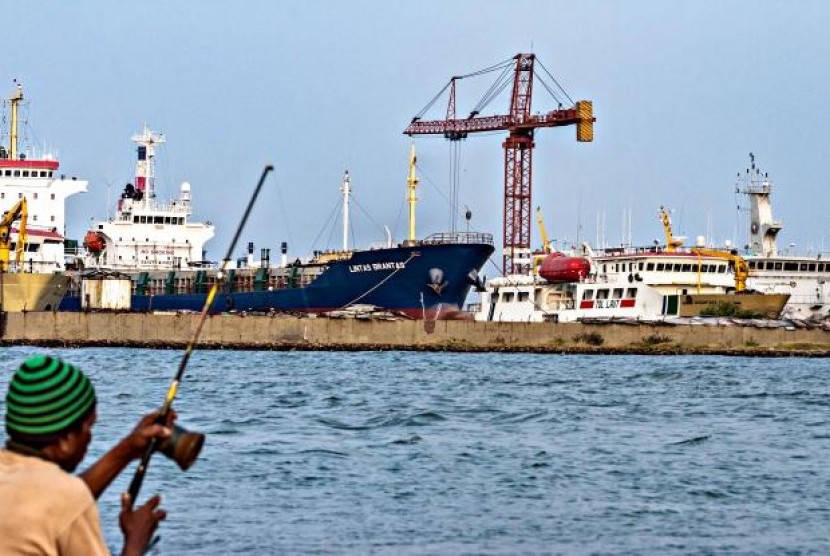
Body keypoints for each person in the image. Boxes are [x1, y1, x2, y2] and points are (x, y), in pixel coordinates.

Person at [0, 354, 174, 555]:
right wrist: (136, 542)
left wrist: (128, 449)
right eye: (89, 426)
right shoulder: (69, 498)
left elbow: (47, 502)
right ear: (66, 439)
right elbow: (64, 501)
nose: (90, 438)